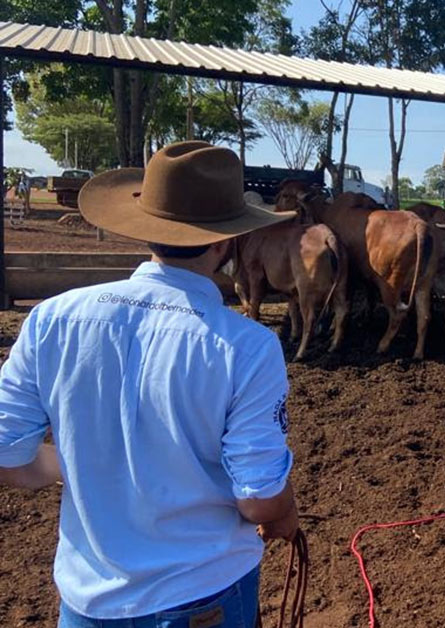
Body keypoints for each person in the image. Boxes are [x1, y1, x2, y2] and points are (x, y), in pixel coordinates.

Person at [0, 141, 301, 627]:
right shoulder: (248, 346)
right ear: (225, 242)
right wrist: (283, 514)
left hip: (88, 600)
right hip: (203, 594)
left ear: (148, 231)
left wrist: (81, 460)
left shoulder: (52, 319)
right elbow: (258, 498)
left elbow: (8, 460)